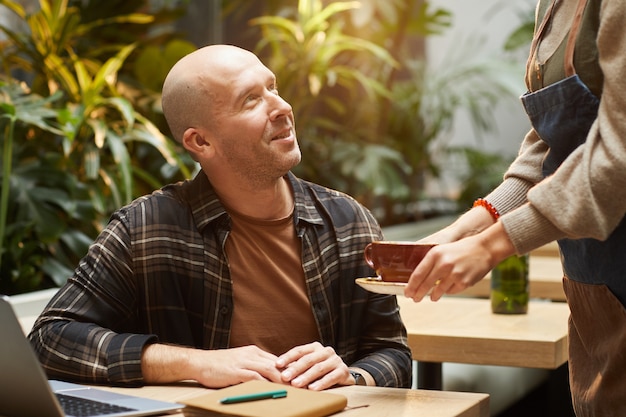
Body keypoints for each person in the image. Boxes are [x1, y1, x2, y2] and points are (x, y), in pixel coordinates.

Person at [28, 44, 412, 391]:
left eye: (272, 88)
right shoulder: (144, 229)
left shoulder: (348, 222)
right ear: (201, 142)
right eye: (250, 100)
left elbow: (391, 352)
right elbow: (49, 340)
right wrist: (196, 363)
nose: (282, 107)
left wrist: (352, 375)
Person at [404, 0, 626, 415]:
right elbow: (548, 148)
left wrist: (490, 247)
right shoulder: (551, 7)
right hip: (593, 290)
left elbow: (617, 154)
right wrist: (465, 229)